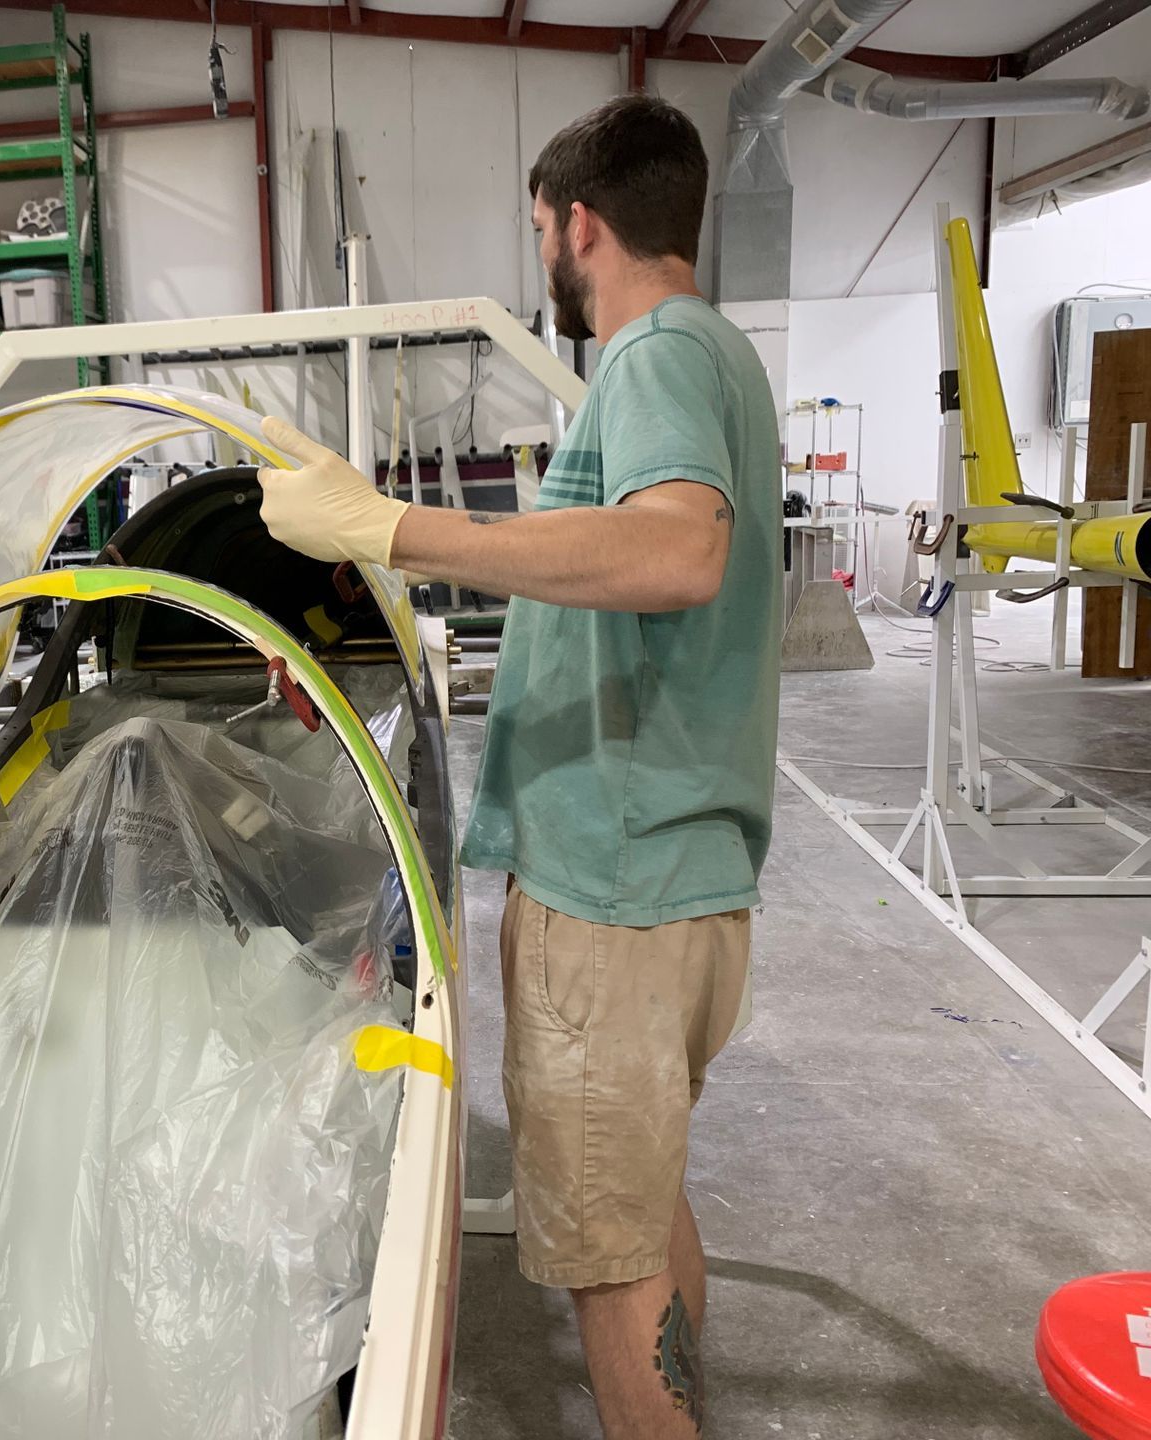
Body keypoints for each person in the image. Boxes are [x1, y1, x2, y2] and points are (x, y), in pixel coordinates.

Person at [258, 95, 779, 1438]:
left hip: (611, 893)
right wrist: (375, 580)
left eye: (539, 228)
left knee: (609, 1265)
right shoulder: (715, 357)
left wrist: (393, 521)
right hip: (685, 878)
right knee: (644, 1210)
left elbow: (673, 552)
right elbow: (601, 575)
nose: (543, 249)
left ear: (577, 224)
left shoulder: (654, 352)